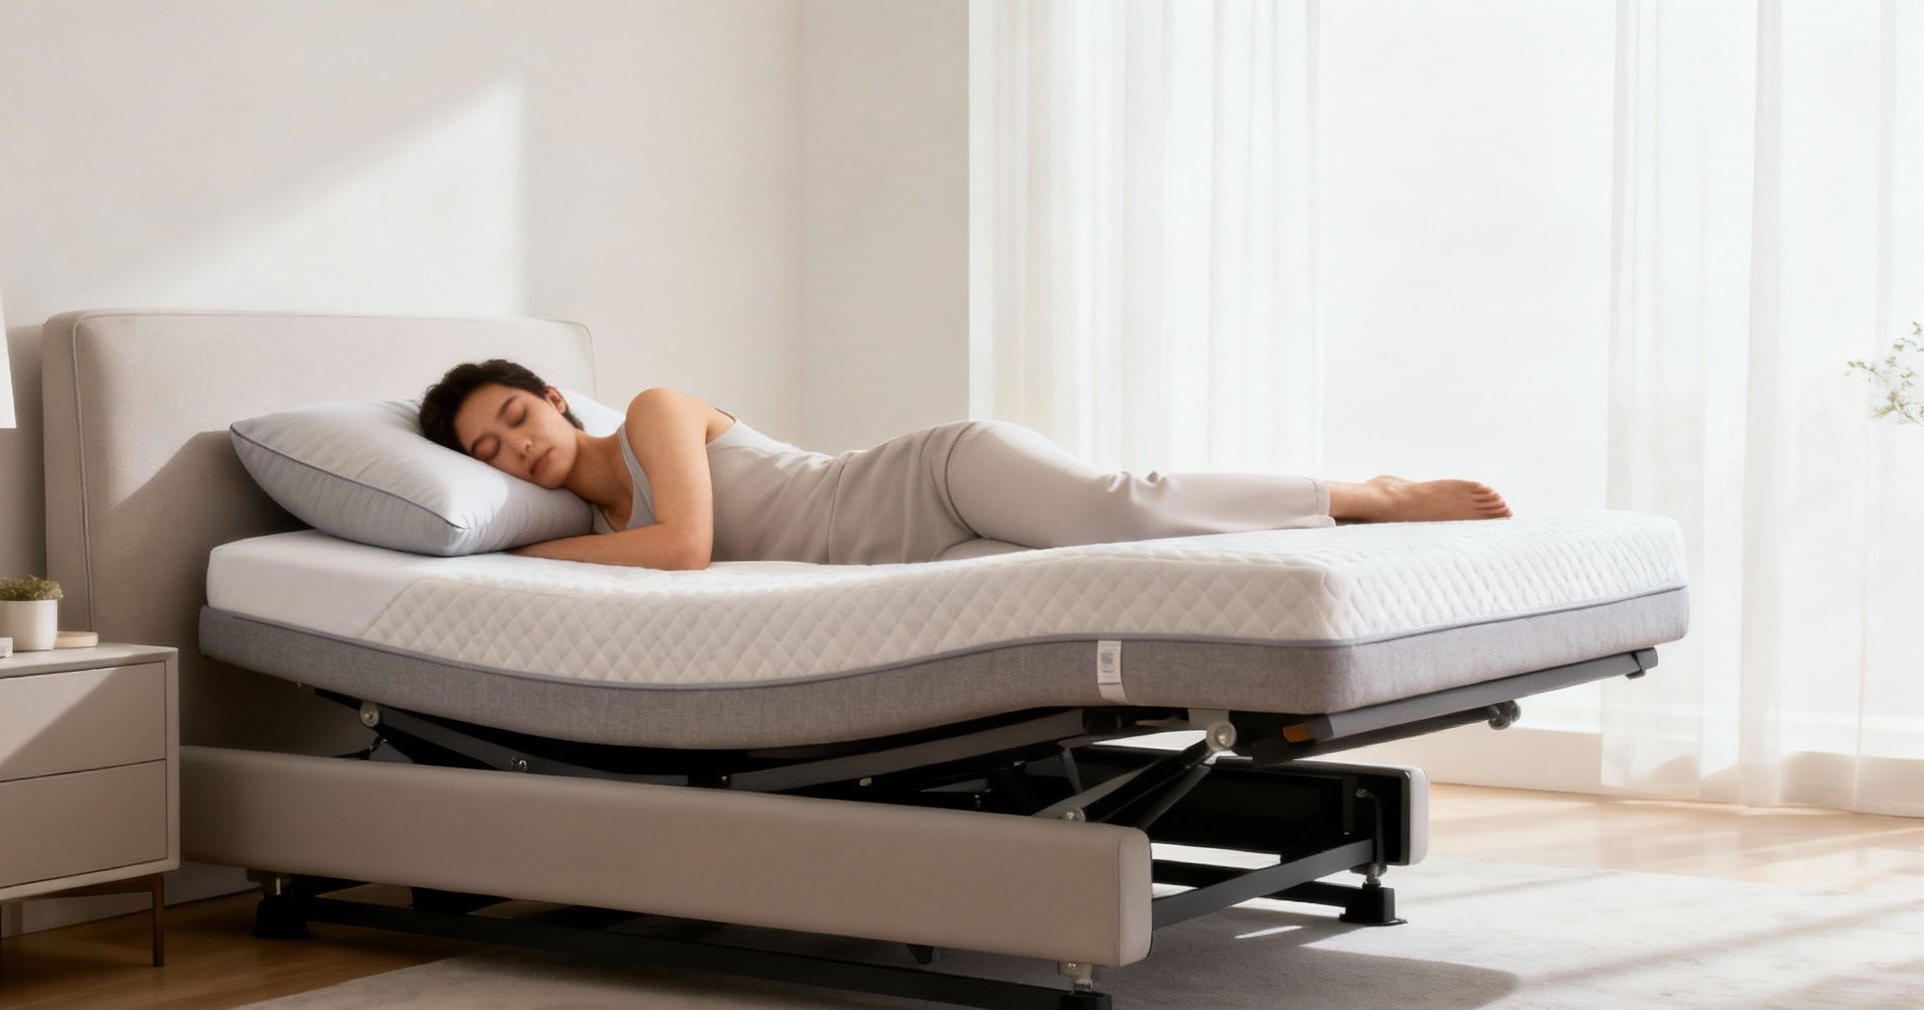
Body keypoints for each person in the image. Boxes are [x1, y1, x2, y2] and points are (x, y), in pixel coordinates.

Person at [417, 359, 1511, 572]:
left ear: (556, 396)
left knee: (1117, 511)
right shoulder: (611, 539)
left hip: (928, 480)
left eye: (517, 414)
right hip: (925, 555)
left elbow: (691, 546)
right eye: (491, 450)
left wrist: (538, 549)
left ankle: (1369, 493)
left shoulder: (651, 413)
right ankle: (1343, 506)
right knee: (1109, 563)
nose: (517, 445)